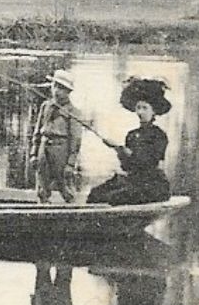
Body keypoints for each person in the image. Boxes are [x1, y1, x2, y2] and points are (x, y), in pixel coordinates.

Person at [86, 78, 172, 206]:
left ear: (154, 111)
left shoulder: (159, 135)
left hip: (152, 183)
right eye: (138, 108)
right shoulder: (131, 135)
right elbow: (127, 166)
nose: (140, 112)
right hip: (133, 180)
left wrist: (123, 149)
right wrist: (118, 150)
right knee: (95, 193)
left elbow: (150, 163)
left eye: (145, 108)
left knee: (115, 197)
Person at [31, 69, 83, 203]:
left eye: (61, 88)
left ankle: (74, 213)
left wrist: (70, 164)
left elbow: (75, 140)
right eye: (55, 86)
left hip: (61, 150)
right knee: (42, 186)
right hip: (44, 148)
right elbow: (37, 132)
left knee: (65, 186)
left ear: (68, 92)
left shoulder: (73, 112)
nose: (56, 91)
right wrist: (34, 154)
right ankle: (42, 210)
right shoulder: (45, 106)